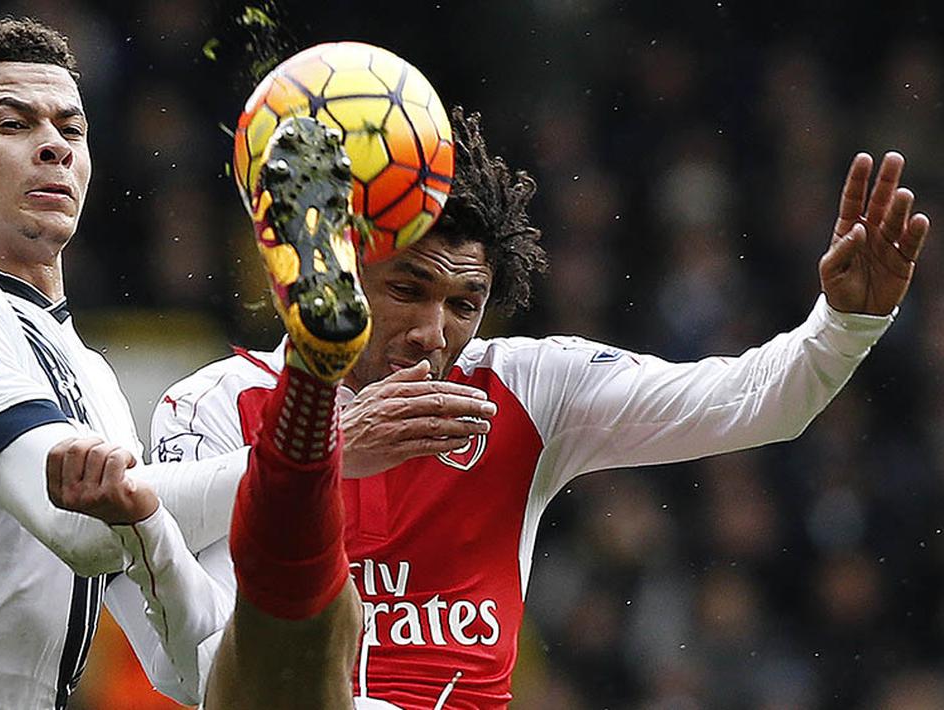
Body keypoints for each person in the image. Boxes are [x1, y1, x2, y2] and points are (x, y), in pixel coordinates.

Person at [146, 107, 931, 708]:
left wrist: (841, 326)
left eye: (464, 302)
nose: (431, 332)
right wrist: (323, 451)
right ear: (334, 270)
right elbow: (158, 557)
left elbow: (749, 402)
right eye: (406, 289)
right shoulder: (217, 401)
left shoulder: (529, 390)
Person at [0, 16, 376, 710]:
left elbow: (158, 597)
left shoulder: (92, 376)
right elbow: (79, 524)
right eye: (13, 125)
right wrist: (316, 448)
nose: (52, 146)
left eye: (70, 130)